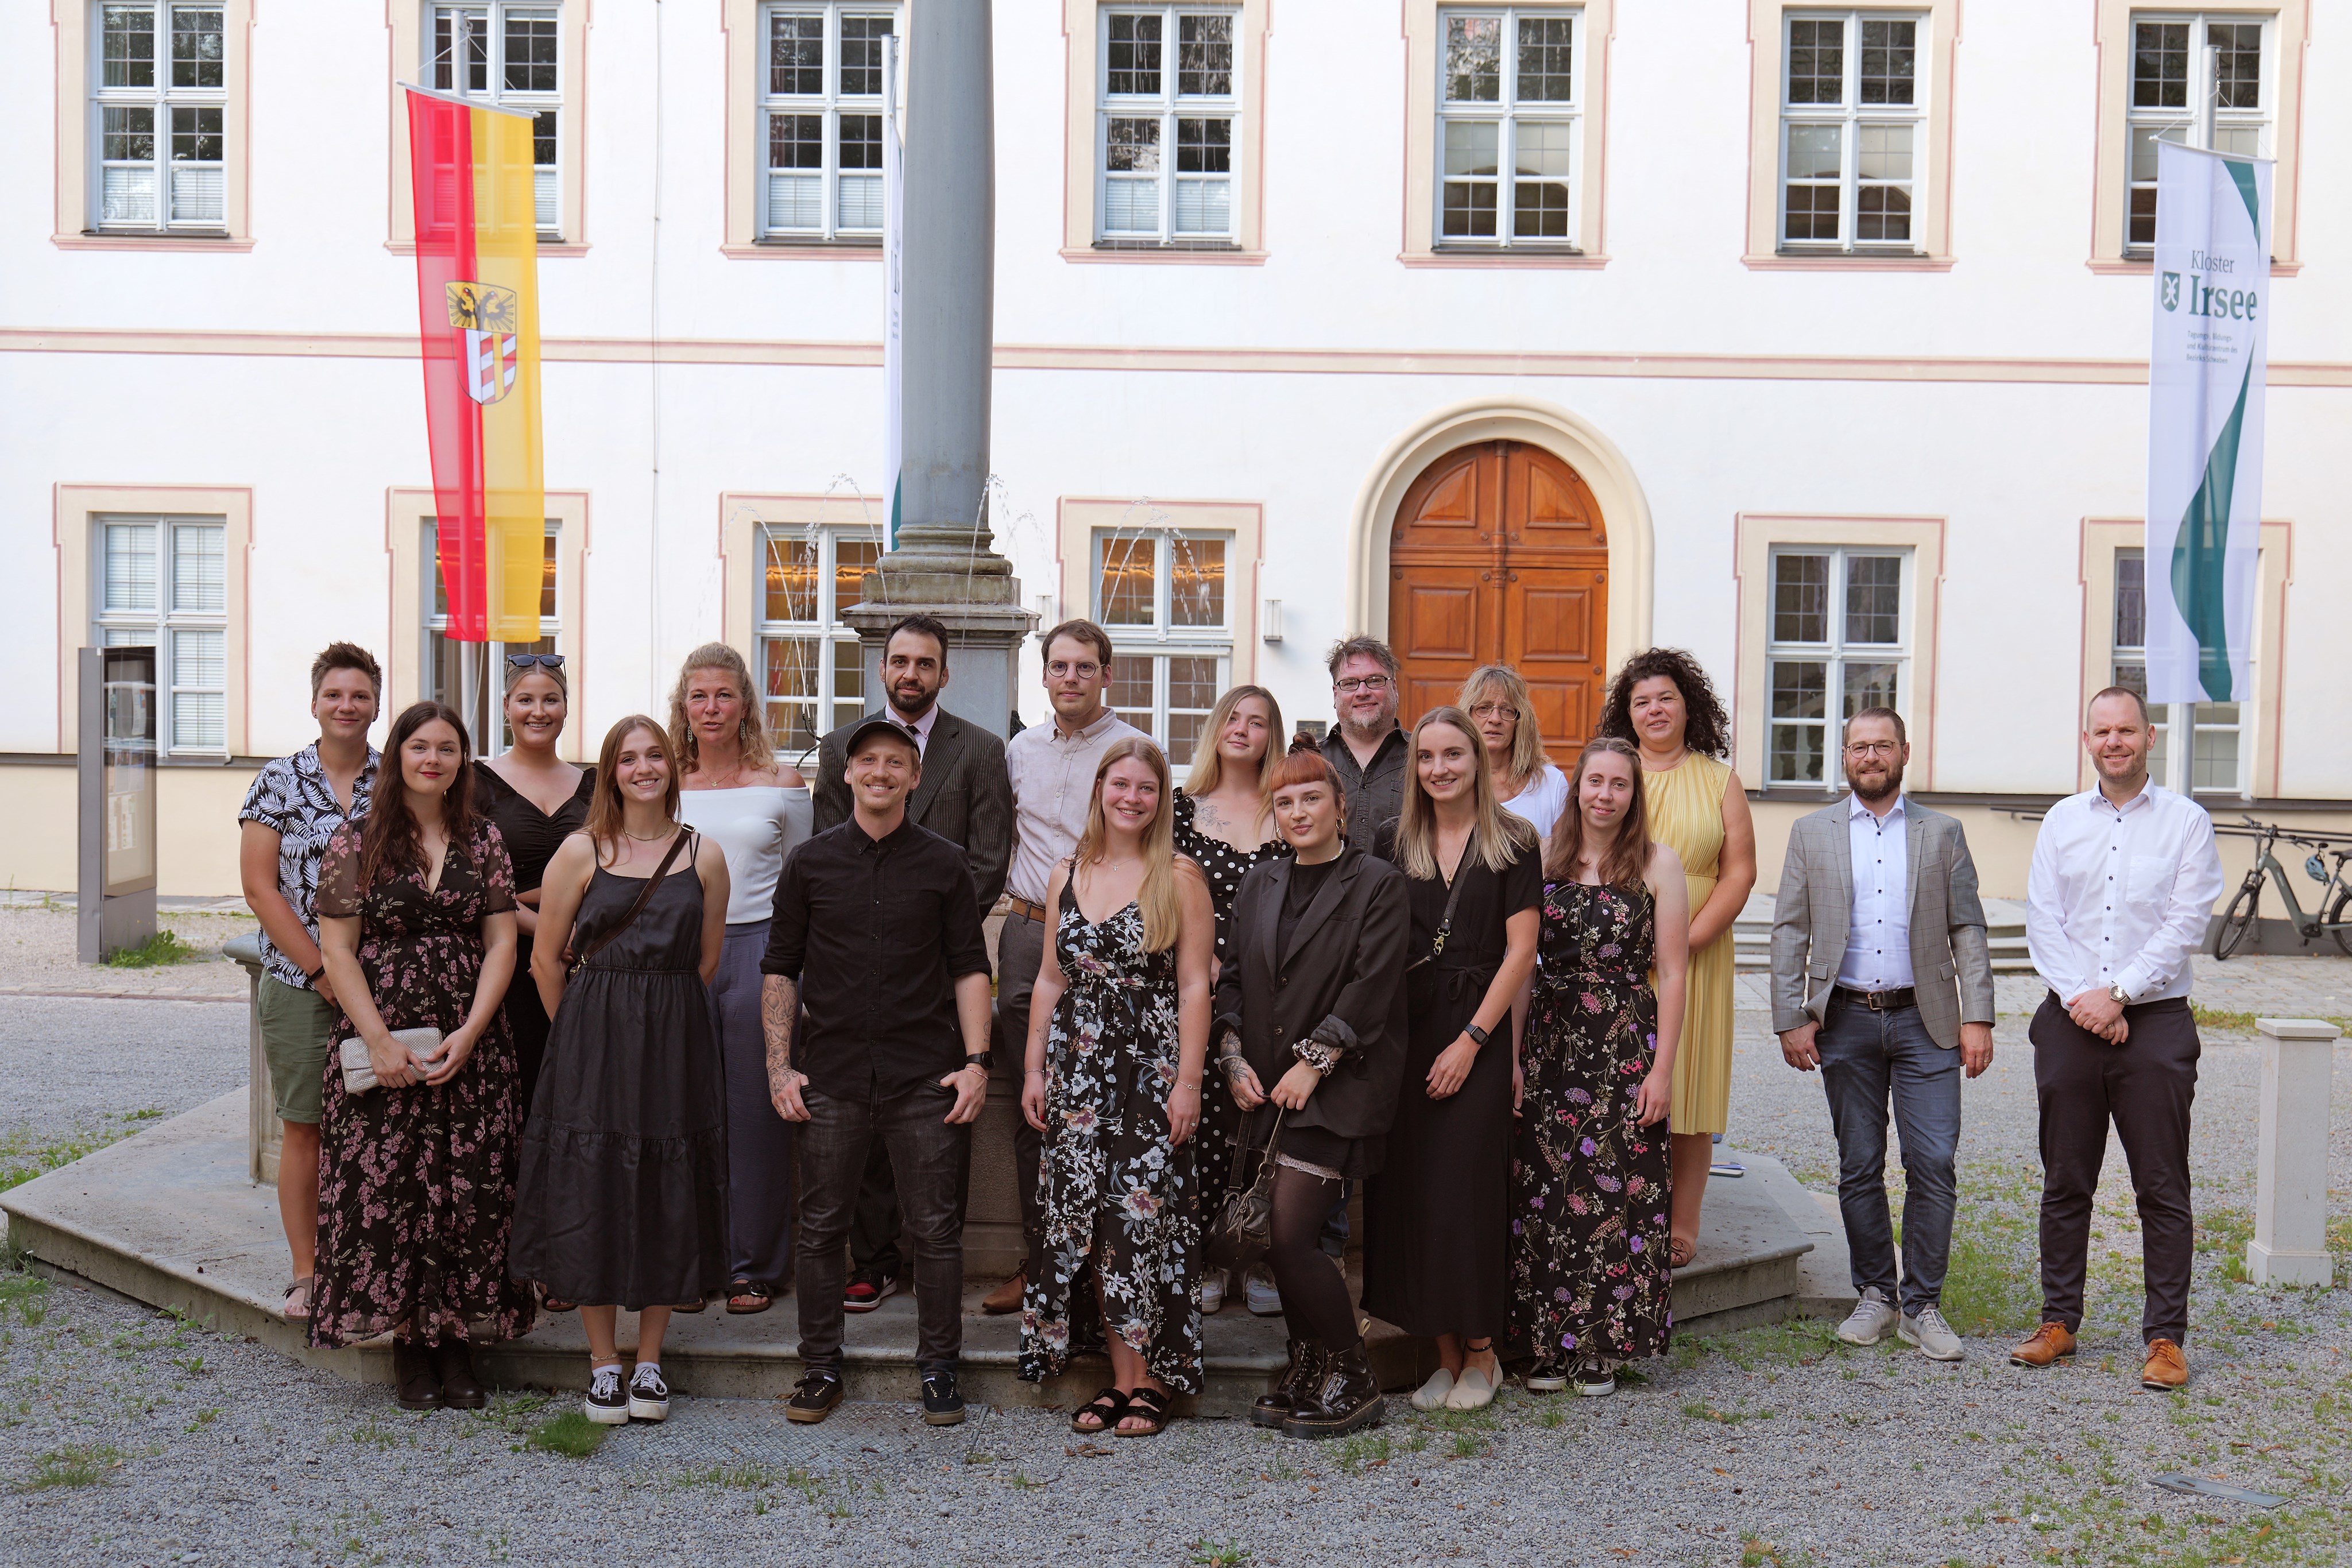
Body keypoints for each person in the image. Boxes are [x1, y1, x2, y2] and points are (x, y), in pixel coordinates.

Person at [763, 717, 995, 1427]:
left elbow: (969, 968)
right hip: (828, 1073)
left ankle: (939, 1370)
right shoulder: (809, 862)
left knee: (935, 1230)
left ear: (916, 777)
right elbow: (779, 968)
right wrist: (779, 1068)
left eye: (897, 762)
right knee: (821, 1226)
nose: (881, 773)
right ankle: (819, 1367)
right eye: (868, 761)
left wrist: (977, 1064)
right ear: (848, 773)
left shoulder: (946, 862)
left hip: (923, 1075)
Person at [310, 701, 535, 1409]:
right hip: (385, 1038)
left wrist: (472, 1031)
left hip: (470, 1041)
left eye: (447, 747)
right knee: (394, 1188)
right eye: (419, 746)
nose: (432, 758)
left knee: (469, 1186)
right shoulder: (357, 841)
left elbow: (503, 940)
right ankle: (411, 1343)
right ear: (398, 755)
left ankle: (457, 1343)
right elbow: (337, 949)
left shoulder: (484, 840)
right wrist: (373, 1038)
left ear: (463, 760)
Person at [512, 715, 732, 1425]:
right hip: (591, 1039)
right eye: (629, 757)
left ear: (672, 766)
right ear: (610, 771)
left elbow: (707, 958)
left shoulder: (704, 854)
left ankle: (650, 1360)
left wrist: (656, 1015)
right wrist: (577, 1033)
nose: (644, 767)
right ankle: (603, 1360)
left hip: (673, 1040)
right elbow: (546, 959)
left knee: (668, 1183)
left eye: (655, 756)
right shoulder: (581, 850)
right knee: (592, 1184)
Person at [1770, 707, 1997, 1362]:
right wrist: (1790, 1015)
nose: (1871, 756)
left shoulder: (1943, 832)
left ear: (1904, 752)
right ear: (1843, 756)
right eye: (1859, 747)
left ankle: (1921, 1304)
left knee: (1932, 1161)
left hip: (1926, 1020)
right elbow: (1789, 927)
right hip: (1842, 1019)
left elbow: (1967, 928)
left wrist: (1976, 1015)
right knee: (1858, 1163)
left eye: (1883, 746)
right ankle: (1875, 1291)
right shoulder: (1811, 833)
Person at [2013, 688, 2223, 1392]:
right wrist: (2087, 1001)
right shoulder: (2062, 821)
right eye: (2102, 731)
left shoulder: (2186, 823)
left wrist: (2121, 993)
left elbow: (2185, 921)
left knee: (2161, 1186)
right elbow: (2043, 920)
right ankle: (2058, 1321)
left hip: (2154, 1022)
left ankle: (2165, 1338)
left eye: (2125, 729)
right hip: (2071, 1018)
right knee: (2065, 1178)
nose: (2114, 741)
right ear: (2087, 740)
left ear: (2149, 736)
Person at [814, 614, 1013, 1317]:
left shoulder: (983, 750)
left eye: (925, 663)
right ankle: (871, 1262)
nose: (910, 674)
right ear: (881, 668)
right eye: (899, 660)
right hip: (857, 975)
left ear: (943, 674)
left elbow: (989, 858)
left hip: (942, 970)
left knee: (939, 1113)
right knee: (864, 1119)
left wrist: (934, 932)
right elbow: (826, 861)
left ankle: (936, 1250)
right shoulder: (843, 748)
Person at [1019, 738, 1216, 1437]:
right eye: (1121, 784)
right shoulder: (1065, 871)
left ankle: (1156, 1377)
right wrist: (1034, 1068)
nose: (1132, 798)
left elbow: (1195, 986)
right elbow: (1051, 977)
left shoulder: (1180, 876)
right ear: (1101, 788)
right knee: (1090, 1223)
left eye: (1147, 788)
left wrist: (1188, 1083)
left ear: (1163, 800)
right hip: (1075, 1072)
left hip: (1150, 1072)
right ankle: (1118, 1377)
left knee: (1145, 1220)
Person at [1216, 740, 1410, 1441]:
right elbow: (1233, 977)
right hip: (1265, 1090)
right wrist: (1233, 1057)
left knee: (1294, 1237)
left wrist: (1314, 1060)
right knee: (1273, 1238)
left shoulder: (1376, 882)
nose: (1298, 811)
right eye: (1286, 801)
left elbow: (1374, 984)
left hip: (1339, 1086)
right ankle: (1307, 1365)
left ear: (1340, 807)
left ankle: (1353, 1374)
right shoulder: (1259, 883)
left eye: (1311, 798)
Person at [1362, 708, 1540, 1412]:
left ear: (1478, 761)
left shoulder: (1514, 841)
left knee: (1467, 1193)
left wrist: (1473, 1041)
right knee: (1412, 1192)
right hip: (1405, 1033)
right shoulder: (1390, 838)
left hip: (1477, 1027)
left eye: (1453, 756)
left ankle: (1481, 1351)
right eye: (1427, 757)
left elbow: (1520, 952)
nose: (1438, 768)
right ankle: (1439, 1350)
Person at [1511, 737, 1688, 1397]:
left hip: (1623, 1043)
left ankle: (1604, 1344)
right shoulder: (1542, 860)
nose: (1605, 794)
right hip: (1551, 1041)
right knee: (1547, 1190)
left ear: (1632, 794)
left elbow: (1672, 973)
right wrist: (1514, 1059)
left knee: (1618, 1186)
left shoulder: (1657, 864)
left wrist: (1662, 1069)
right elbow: (1523, 965)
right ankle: (1548, 1342)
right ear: (1576, 788)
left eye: (1618, 784)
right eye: (1595, 782)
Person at [988, 618, 1147, 1314]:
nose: (1071, 678)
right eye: (1060, 667)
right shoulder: (1020, 749)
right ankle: (1039, 1257)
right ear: (1044, 675)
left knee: (1114, 1103)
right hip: (1028, 930)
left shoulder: (1133, 751)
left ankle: (1106, 1267)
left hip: (1110, 935)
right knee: (1038, 1105)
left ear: (1106, 674)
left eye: (1085, 667)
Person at [1596, 648, 1755, 1266]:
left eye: (1665, 697)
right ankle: (1619, 1206)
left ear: (1688, 704)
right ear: (1626, 714)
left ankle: (1682, 1221)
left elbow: (1738, 871)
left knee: (1688, 1089)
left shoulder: (1719, 780)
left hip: (1697, 953)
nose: (1654, 709)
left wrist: (1685, 940)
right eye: (1641, 701)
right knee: (1621, 1084)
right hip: (1617, 958)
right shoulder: (1615, 772)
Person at [238, 643, 381, 1325]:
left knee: (381, 1128)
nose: (346, 706)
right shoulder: (279, 780)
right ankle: (308, 1271)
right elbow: (260, 889)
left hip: (385, 985)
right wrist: (325, 972)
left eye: (359, 695)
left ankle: (374, 1262)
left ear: (376, 703)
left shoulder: (400, 778)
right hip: (301, 983)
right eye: (335, 695)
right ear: (315, 702)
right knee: (306, 1130)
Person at [672, 642, 813, 1316]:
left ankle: (752, 1264)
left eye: (724, 694)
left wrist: (799, 971)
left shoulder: (782, 783)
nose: (711, 707)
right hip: (679, 949)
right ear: (684, 706)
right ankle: (689, 1261)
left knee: (757, 1111)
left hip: (761, 947)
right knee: (682, 1107)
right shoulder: (663, 781)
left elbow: (805, 881)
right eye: (699, 695)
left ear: (746, 704)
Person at [1169, 683, 1291, 1314]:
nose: (1244, 730)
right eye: (1234, 718)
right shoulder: (1179, 809)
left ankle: (1261, 1259)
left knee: (1267, 1120)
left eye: (1260, 722)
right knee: (1207, 1123)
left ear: (1274, 736)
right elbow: (1159, 894)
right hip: (1200, 985)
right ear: (1217, 727)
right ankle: (1211, 1257)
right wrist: (1211, 965)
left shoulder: (1288, 807)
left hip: (1279, 991)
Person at [472, 653, 593, 1127]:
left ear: (567, 707)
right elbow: (476, 884)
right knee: (515, 1101)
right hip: (507, 963)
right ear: (506, 706)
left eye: (551, 699)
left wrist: (573, 931)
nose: (538, 711)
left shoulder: (594, 784)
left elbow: (604, 867)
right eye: (526, 699)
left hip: (583, 958)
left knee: (578, 1096)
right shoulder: (475, 783)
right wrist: (549, 929)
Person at [1460, 664, 1570, 843]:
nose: (1495, 719)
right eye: (1484, 708)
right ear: (1468, 716)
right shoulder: (1452, 780)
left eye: (1507, 710)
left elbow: (1564, 858)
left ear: (1520, 721)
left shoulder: (1551, 783)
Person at [1320, 636, 1408, 858]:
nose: (1362, 692)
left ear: (1394, 687)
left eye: (1375, 680)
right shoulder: (1313, 761)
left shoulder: (1423, 757)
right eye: (1349, 683)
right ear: (1335, 693)